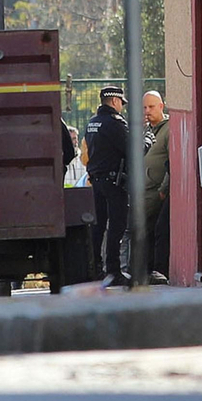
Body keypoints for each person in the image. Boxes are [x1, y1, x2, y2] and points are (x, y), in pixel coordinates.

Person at [84, 84, 131, 287]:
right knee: (117, 225)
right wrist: (146, 140)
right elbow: (132, 149)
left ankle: (95, 269)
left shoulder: (92, 123)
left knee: (98, 227)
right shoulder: (115, 123)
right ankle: (113, 270)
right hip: (114, 182)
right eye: (121, 102)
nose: (122, 107)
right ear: (114, 101)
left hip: (96, 181)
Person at [141, 91, 171, 283]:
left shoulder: (168, 130)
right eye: (144, 107)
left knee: (155, 230)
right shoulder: (146, 130)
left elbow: (171, 162)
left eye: (151, 107)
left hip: (157, 191)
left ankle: (157, 271)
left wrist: (163, 189)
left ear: (161, 106)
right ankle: (145, 270)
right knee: (142, 230)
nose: (147, 111)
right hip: (143, 190)